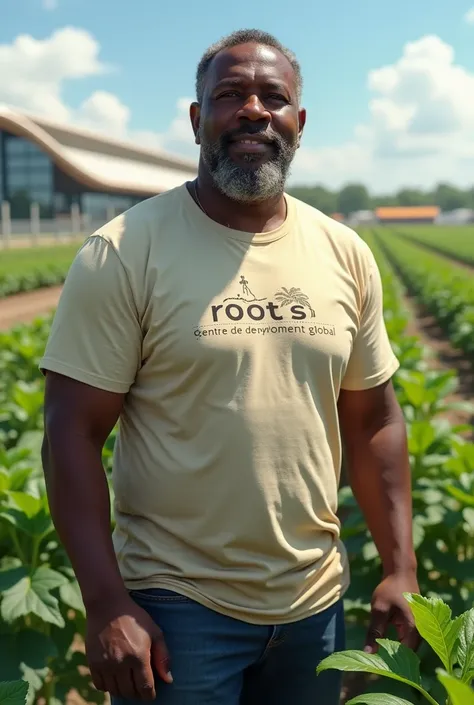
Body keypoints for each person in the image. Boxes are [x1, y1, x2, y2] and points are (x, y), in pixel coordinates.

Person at [40, 28, 419, 705]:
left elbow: (372, 419)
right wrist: (104, 601)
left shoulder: (344, 252)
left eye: (273, 97)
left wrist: (400, 566)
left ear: (298, 123)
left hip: (314, 603)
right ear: (196, 121)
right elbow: (71, 433)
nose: (253, 110)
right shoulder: (124, 251)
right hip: (177, 609)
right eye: (229, 95)